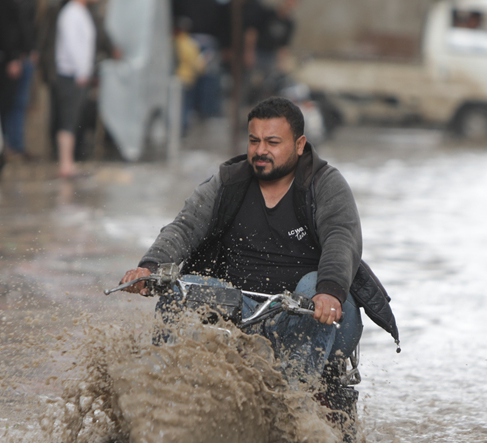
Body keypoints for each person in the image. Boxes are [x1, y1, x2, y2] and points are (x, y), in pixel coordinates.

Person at [117, 97, 399, 418]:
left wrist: (330, 290)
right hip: (242, 309)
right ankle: (158, 404)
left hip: (316, 309)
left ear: (300, 145)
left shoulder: (325, 185)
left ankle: (291, 410)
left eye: (272, 142)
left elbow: (342, 238)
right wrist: (149, 266)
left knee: (312, 285)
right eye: (254, 141)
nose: (260, 150)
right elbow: (184, 227)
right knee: (181, 292)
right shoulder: (228, 182)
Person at [51, 0, 96, 178]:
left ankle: (69, 162)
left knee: (74, 118)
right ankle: (65, 163)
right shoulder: (70, 14)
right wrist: (81, 70)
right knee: (68, 119)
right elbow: (72, 45)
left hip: (78, 74)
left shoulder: (81, 12)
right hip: (71, 75)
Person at [0, 0, 37, 161]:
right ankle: (4, 147)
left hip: (22, 57)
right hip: (8, 59)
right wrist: (12, 57)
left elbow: (27, 24)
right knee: (6, 104)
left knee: (20, 104)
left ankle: (16, 146)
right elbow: (3, 27)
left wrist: (30, 49)